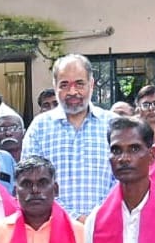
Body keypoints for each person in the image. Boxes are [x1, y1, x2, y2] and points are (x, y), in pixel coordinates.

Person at [22, 54, 114, 221]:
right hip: (55, 228)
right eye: (64, 85)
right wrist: (74, 218)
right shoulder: (39, 127)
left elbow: (121, 179)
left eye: (79, 84)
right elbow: (31, 181)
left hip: (107, 224)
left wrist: (97, 217)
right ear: (55, 86)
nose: (72, 92)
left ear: (91, 84)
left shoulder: (112, 124)